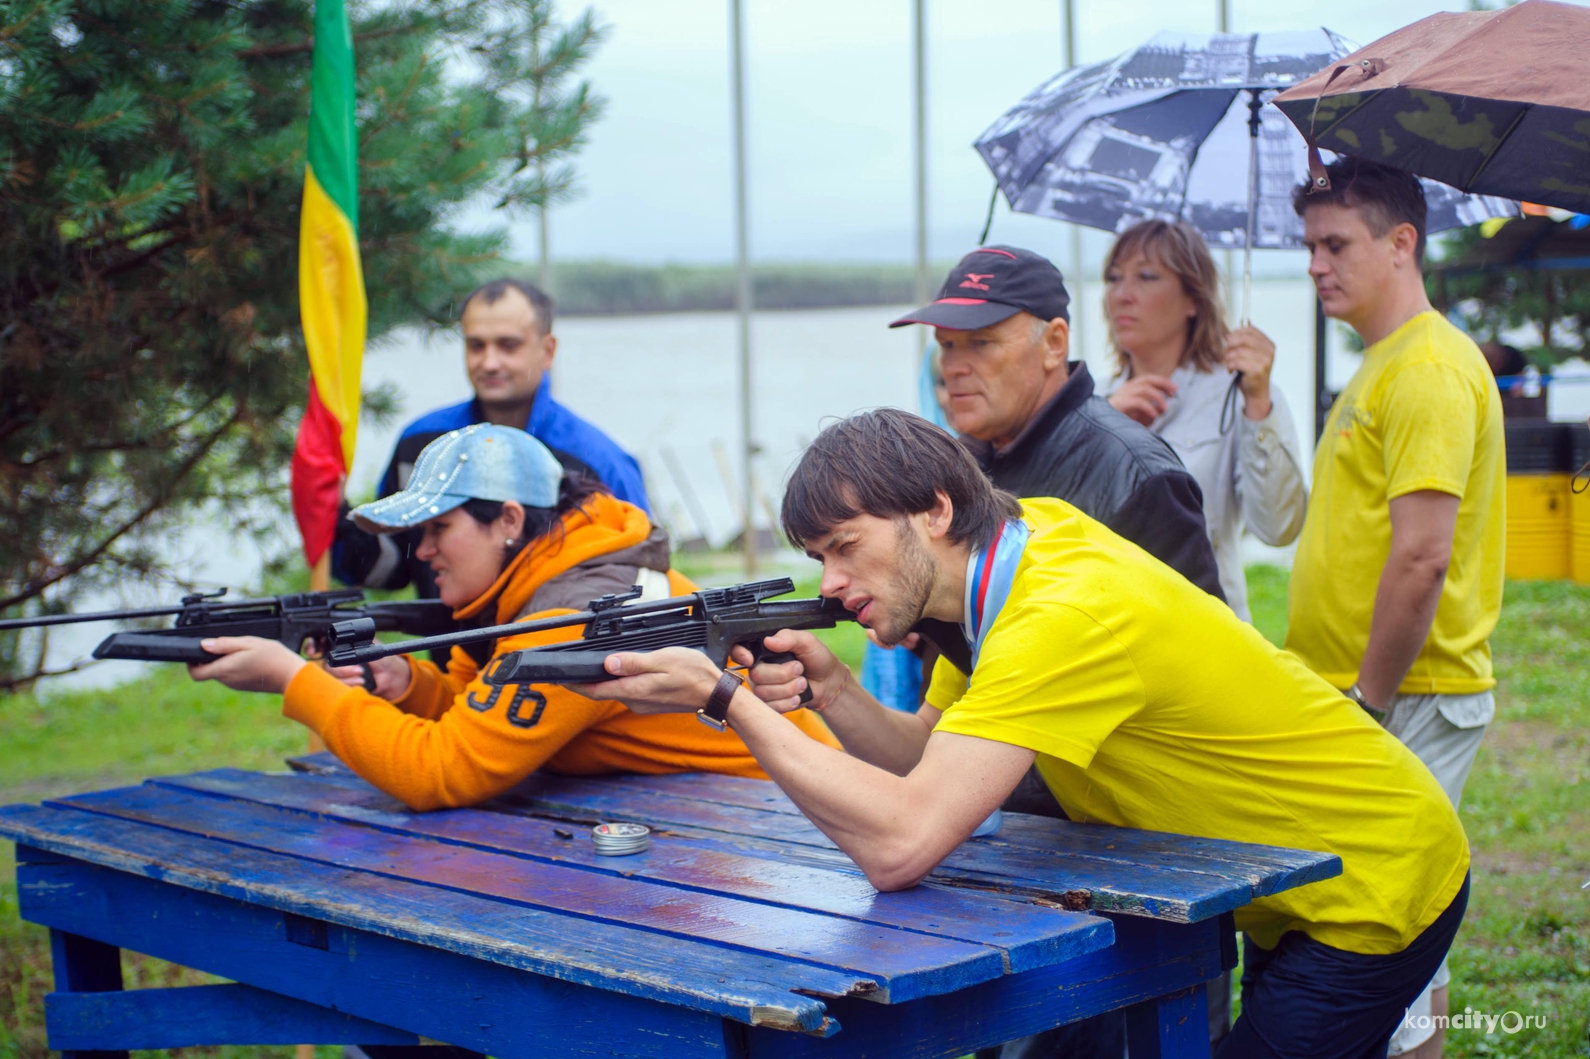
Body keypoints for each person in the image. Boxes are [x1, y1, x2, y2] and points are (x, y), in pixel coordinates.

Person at [584, 409, 1471, 1059]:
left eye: (846, 546)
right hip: (1285, 871)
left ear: (933, 509)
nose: (833, 578)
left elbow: (902, 843)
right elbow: (927, 762)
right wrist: (835, 688)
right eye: (819, 557)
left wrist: (722, 703)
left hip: (1372, 877)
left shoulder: (1059, 616)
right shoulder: (1018, 548)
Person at [190, 424, 837, 810]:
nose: (421, 551)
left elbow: (440, 771)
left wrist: (297, 681)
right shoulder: (560, 572)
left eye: (438, 527)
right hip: (721, 814)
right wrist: (413, 687)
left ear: (507, 520)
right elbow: (496, 706)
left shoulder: (570, 612)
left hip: (782, 821)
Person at [1286, 158, 1506, 1059]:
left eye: (1335, 244)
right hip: (1372, 690)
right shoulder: (1387, 361)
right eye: (1307, 246)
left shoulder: (1425, 369)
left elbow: (1422, 552)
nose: (1314, 265)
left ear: (1401, 243)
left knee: (1387, 914)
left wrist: (1370, 701)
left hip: (1408, 691)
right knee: (1395, 904)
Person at [888, 245, 1225, 605]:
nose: (953, 367)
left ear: (1054, 344)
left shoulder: (1138, 475)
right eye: (948, 344)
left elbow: (1197, 645)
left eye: (981, 342)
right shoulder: (957, 466)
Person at [333, 278, 649, 598]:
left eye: (508, 345)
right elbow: (391, 563)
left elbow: (635, 582)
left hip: (560, 645)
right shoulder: (422, 444)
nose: (489, 362)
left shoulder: (597, 462)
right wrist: (330, 512)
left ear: (548, 350)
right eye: (476, 345)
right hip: (451, 647)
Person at [1102, 220, 1308, 621]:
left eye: (1146, 276)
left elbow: (1278, 527)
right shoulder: (1094, 398)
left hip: (1207, 631)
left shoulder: (1236, 394)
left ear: (1193, 299)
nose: (1121, 295)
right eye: (1113, 278)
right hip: (1110, 631)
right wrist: (1107, 423)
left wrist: (1259, 404)